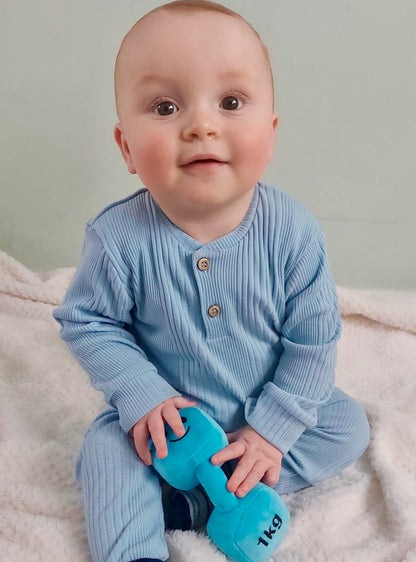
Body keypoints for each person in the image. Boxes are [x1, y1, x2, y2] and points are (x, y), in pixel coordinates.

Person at [53, 2, 370, 561]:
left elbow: (313, 345)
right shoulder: (119, 237)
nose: (201, 124)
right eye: (166, 106)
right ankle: (137, 547)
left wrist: (271, 430)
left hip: (260, 401)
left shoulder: (292, 233)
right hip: (168, 425)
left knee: (346, 425)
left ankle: (203, 499)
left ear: (269, 137)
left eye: (230, 102)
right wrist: (141, 394)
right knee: (106, 449)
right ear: (126, 146)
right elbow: (87, 321)